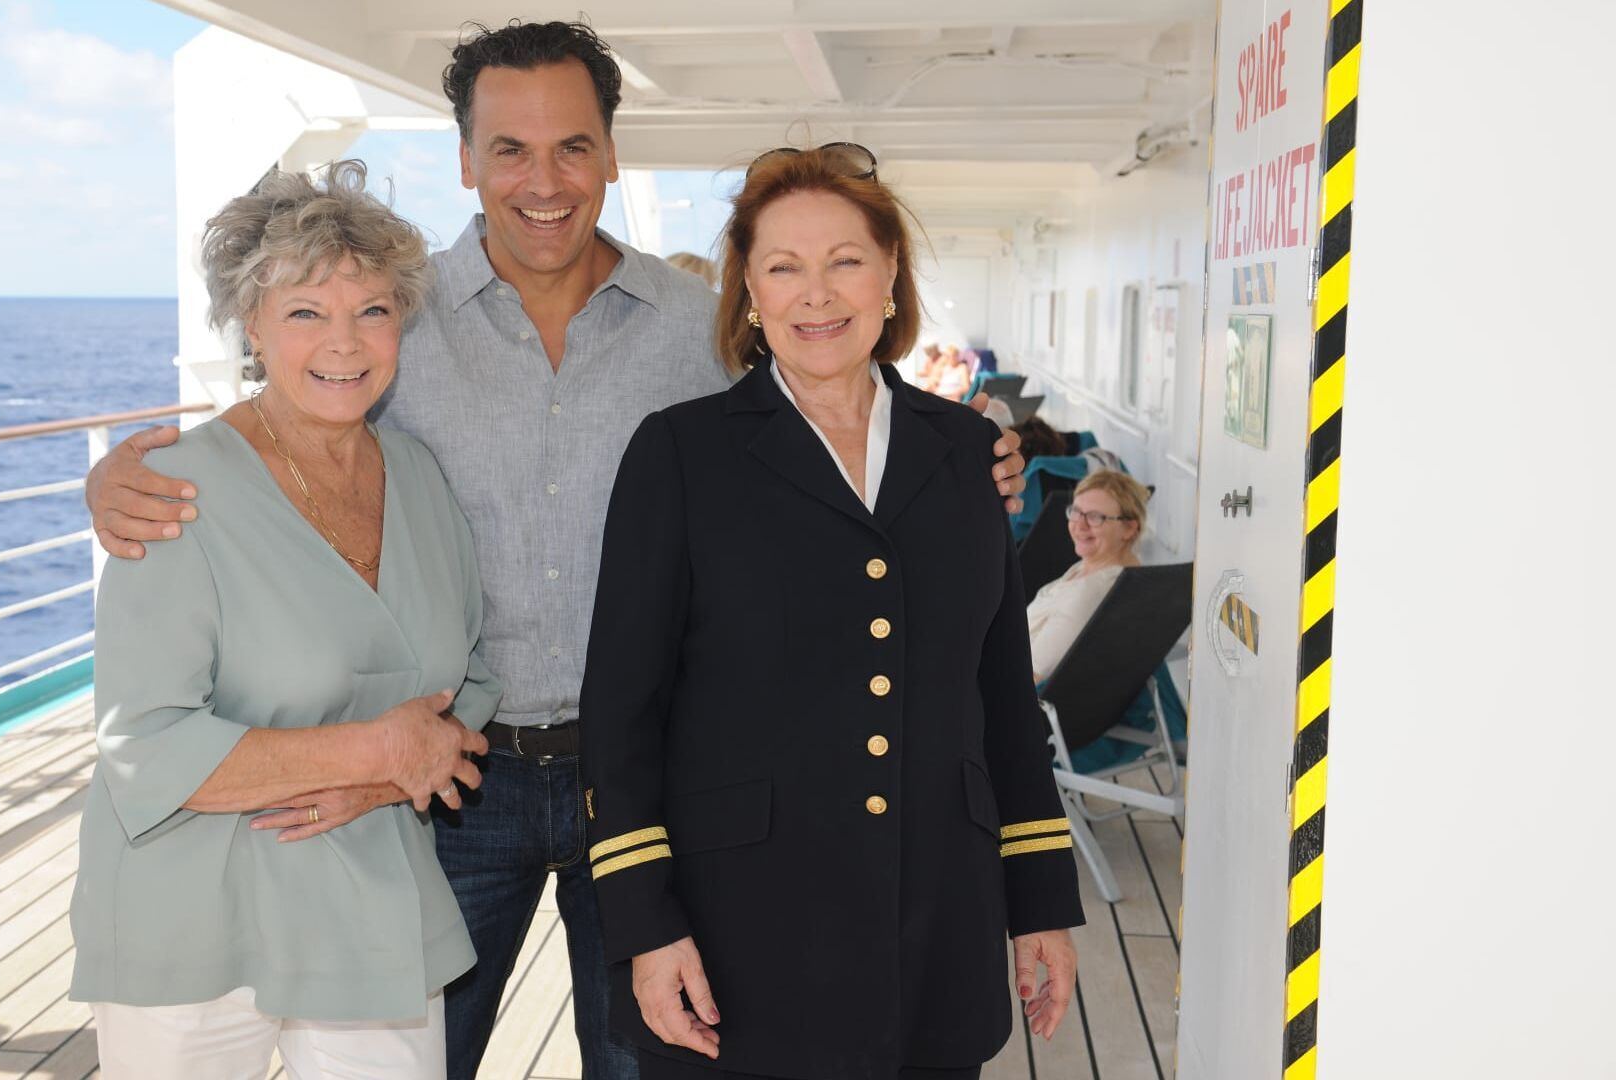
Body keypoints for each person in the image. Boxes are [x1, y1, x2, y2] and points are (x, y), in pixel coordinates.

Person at [83, 22, 1030, 1080]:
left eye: (573, 147)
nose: (544, 181)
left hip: (658, 785)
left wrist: (967, 464)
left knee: (650, 1060)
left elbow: (827, 427)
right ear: (465, 160)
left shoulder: (704, 333)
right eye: (510, 150)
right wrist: (118, 477)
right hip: (452, 782)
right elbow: (293, 418)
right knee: (424, 1062)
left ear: (611, 155)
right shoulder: (395, 318)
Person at [578, 144, 1084, 1080]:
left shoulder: (967, 452)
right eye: (783, 267)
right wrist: (646, 926)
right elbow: (621, 717)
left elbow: (1002, 699)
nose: (816, 294)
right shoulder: (680, 455)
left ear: (890, 275)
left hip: (938, 929)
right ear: (750, 292)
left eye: (845, 261)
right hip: (739, 943)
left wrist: (1041, 899)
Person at [68, 161, 498, 1079]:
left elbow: (470, 679)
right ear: (252, 324)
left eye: (372, 309)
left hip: (372, 900)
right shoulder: (171, 490)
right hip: (192, 918)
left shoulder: (420, 477)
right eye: (305, 311)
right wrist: (375, 752)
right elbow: (145, 743)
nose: (344, 341)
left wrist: (385, 782)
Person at [1026, 470, 1149, 681]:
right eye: (1076, 512)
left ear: (1129, 528)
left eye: (1095, 517)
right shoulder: (1097, 568)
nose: (1079, 525)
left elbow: (1031, 678)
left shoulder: (1087, 594)